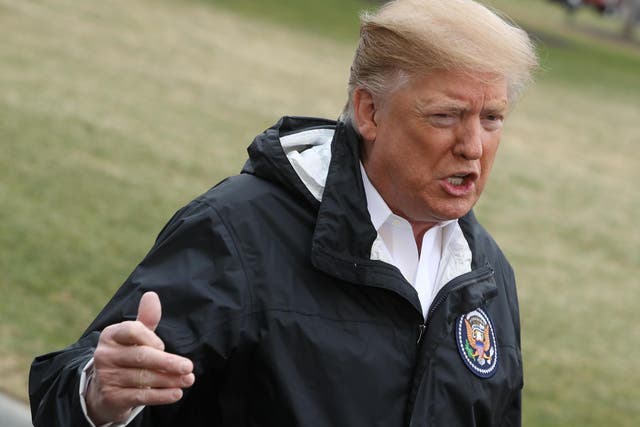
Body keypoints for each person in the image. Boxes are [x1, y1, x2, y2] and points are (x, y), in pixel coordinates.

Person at [29, 0, 538, 425]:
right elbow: (68, 392)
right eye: (445, 116)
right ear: (369, 112)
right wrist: (98, 395)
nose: (472, 146)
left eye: (492, 119)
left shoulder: (486, 276)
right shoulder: (238, 232)